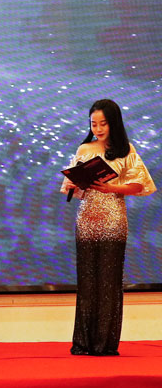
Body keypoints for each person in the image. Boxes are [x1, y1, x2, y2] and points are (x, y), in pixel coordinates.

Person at [61, 99, 155, 356]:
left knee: (109, 282)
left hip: (113, 220)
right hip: (86, 220)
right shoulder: (84, 149)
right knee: (87, 281)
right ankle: (83, 342)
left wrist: (111, 187)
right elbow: (74, 191)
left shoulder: (126, 150)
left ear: (114, 123)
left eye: (103, 123)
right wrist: (73, 184)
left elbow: (140, 185)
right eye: (94, 124)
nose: (98, 128)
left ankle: (105, 344)